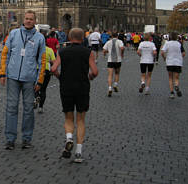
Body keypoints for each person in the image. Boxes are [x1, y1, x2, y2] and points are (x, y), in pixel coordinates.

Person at [0, 10, 46, 150]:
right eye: (26, 18)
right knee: (11, 108)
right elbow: (5, 54)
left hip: (29, 78)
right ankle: (10, 139)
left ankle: (26, 139)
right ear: (23, 20)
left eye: (31, 19)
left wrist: (40, 80)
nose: (28, 21)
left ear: (35, 21)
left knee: (28, 110)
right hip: (13, 77)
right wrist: (2, 73)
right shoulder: (13, 34)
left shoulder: (39, 38)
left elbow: (42, 60)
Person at [51, 28, 98, 163]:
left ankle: (69, 138)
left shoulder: (62, 51)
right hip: (82, 87)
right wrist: (90, 76)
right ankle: (78, 152)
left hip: (66, 87)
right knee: (81, 120)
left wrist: (60, 77)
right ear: (83, 38)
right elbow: (95, 71)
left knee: (68, 117)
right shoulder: (88, 52)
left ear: (69, 38)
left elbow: (54, 69)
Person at [35, 30, 56, 113]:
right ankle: (41, 107)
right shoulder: (49, 50)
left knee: (35, 87)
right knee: (43, 90)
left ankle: (36, 97)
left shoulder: (36, 49)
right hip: (46, 70)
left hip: (36, 70)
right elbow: (54, 62)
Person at [161, 32, 185, 99]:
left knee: (170, 78)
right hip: (178, 63)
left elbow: (162, 52)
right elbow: (183, 53)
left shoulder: (167, 43)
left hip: (169, 62)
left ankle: (172, 93)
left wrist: (164, 58)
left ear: (170, 37)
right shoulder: (179, 44)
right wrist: (180, 57)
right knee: (176, 78)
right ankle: (176, 86)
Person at [103, 32, 125, 97]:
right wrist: (122, 54)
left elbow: (104, 50)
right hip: (118, 60)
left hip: (110, 60)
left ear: (111, 36)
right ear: (117, 36)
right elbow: (122, 48)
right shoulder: (119, 41)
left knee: (110, 75)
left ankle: (110, 88)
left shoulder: (108, 42)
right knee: (117, 73)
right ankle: (115, 85)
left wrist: (106, 53)